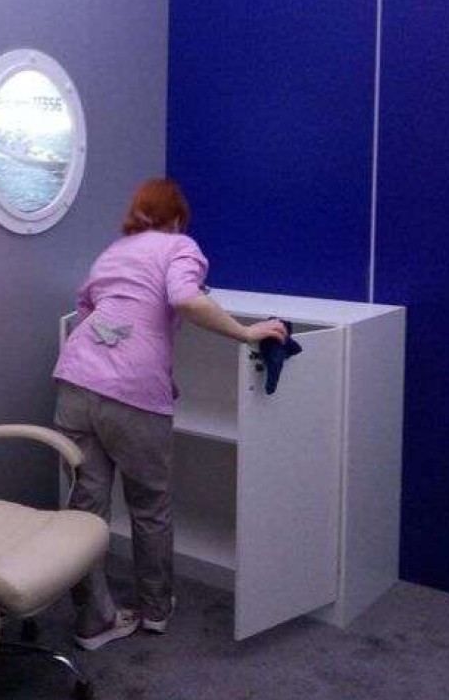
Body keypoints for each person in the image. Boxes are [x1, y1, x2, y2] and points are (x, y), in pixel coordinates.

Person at [53, 178, 286, 650]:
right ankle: (155, 610)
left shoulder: (112, 252)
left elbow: (91, 313)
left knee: (86, 507)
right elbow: (184, 298)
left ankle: (94, 620)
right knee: (149, 507)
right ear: (177, 218)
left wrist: (151, 373)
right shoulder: (181, 246)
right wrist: (246, 333)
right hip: (131, 393)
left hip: (75, 380)